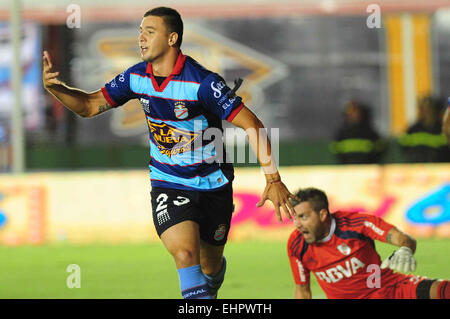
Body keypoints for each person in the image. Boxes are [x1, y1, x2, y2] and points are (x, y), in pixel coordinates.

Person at [43, 7, 298, 299]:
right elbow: (89, 106)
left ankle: (209, 287)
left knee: (210, 267)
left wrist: (273, 179)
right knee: (185, 254)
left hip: (214, 183)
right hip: (169, 181)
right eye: (139, 31)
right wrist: (56, 89)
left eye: (149, 32)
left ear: (172, 38)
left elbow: (252, 123)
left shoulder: (202, 82)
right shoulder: (135, 78)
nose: (140, 38)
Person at [287, 187, 449, 299]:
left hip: (387, 289)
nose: (298, 224)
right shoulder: (297, 245)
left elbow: (402, 237)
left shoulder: (356, 224)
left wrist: (405, 249)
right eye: (296, 218)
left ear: (322, 215)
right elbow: (302, 290)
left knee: (444, 290)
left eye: (304, 217)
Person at [330, 100, 384, 164]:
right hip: (347, 171)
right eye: (351, 113)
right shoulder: (341, 134)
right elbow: (336, 151)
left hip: (367, 170)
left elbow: (378, 151)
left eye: (356, 112)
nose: (354, 115)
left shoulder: (370, 133)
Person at [399, 96, 448, 162]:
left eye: (428, 109)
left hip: (440, 169)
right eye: (423, 110)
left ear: (435, 111)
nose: (425, 113)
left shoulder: (443, 129)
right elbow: (403, 151)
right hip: (417, 169)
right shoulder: (413, 130)